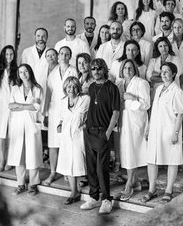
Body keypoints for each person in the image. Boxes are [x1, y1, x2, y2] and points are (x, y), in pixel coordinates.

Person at [80, 58, 120, 214]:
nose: (95, 71)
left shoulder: (112, 88)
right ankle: (94, 197)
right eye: (93, 69)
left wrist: (108, 132)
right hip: (90, 131)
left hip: (103, 132)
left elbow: (116, 112)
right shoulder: (90, 87)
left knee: (101, 168)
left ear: (104, 69)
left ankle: (106, 199)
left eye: (98, 68)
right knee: (90, 167)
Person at [143, 62, 183, 204]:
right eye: (162, 71)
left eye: (167, 71)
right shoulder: (159, 88)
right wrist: (148, 127)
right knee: (152, 159)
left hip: (170, 130)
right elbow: (154, 111)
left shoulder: (177, 91)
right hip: (155, 129)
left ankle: (168, 190)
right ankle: (152, 189)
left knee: (172, 160)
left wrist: (176, 132)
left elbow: (179, 114)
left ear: (173, 74)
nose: (164, 74)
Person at [43, 46, 78, 186]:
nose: (64, 56)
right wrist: (45, 113)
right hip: (54, 111)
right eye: (62, 53)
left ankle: (65, 171)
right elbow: (48, 94)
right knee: (53, 143)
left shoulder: (74, 71)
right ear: (58, 56)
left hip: (69, 110)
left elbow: (76, 90)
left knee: (66, 142)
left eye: (67, 54)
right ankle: (53, 172)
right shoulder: (52, 73)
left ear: (70, 56)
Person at [117, 59, 150, 200]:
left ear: (135, 69)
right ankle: (135, 181)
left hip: (136, 122)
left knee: (132, 152)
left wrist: (133, 98)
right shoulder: (119, 84)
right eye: (125, 68)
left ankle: (129, 185)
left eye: (131, 68)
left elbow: (146, 104)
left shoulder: (142, 83)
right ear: (122, 70)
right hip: (124, 122)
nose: (128, 70)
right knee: (127, 152)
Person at [8, 63, 43, 196]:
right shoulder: (15, 89)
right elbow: (11, 106)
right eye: (21, 72)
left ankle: (33, 185)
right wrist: (27, 105)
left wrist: (19, 105)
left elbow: (37, 107)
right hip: (18, 125)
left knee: (32, 155)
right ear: (18, 74)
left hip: (31, 125)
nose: (24, 74)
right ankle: (20, 184)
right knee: (19, 156)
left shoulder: (37, 89)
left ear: (30, 72)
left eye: (26, 71)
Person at [57, 77, 90, 205]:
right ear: (65, 88)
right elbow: (61, 118)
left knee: (78, 162)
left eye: (75, 86)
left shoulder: (85, 99)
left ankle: (87, 191)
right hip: (66, 136)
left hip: (79, 135)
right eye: (69, 87)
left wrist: (86, 125)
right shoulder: (63, 101)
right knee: (68, 164)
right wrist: (59, 125)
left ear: (78, 88)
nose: (72, 89)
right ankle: (74, 192)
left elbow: (93, 114)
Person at [0, 45, 17, 171]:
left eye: (11, 54)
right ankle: (2, 160)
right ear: (3, 55)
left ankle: (10, 161)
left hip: (13, 106)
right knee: (1, 134)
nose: (9, 57)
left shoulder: (17, 71)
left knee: (11, 135)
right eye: (6, 54)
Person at [21, 28, 49, 93]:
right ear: (35, 37)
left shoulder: (51, 52)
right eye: (38, 36)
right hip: (29, 87)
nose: (41, 38)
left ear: (47, 38)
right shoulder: (26, 52)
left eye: (43, 36)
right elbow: (22, 72)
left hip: (46, 87)